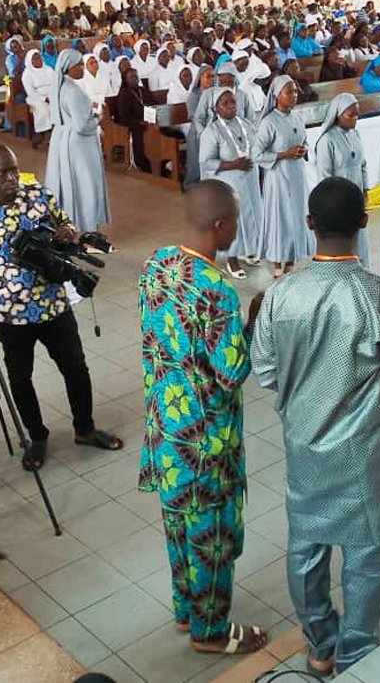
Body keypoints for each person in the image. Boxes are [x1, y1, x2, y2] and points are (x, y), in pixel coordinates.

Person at [251, 176, 380, 677]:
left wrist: (305, 400)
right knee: (368, 552)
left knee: (306, 545)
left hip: (305, 446)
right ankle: (355, 649)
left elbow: (265, 371)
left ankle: (320, 642)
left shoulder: (280, 296)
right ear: (363, 223)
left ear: (309, 224)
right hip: (368, 453)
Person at [137, 180, 269, 657]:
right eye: (234, 220)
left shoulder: (156, 264)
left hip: (166, 426)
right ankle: (210, 631)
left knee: (178, 524)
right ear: (219, 225)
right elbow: (232, 371)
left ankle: (184, 609)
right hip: (206, 439)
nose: (237, 227)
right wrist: (254, 318)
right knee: (212, 534)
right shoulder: (216, 290)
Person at [0, 143, 121, 470]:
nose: (12, 178)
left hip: (53, 305)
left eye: (14, 169)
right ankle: (37, 437)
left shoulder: (38, 196)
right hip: (11, 315)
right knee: (20, 378)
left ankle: (84, 429)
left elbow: (67, 227)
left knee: (76, 369)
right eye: (2, 173)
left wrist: (67, 232)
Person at [45, 49, 111, 233]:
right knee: (87, 184)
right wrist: (98, 117)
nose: (82, 68)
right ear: (68, 67)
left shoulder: (60, 86)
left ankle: (73, 223)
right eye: (79, 65)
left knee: (71, 182)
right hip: (80, 144)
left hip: (63, 138)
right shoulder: (73, 90)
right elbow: (83, 125)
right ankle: (89, 228)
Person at [253, 76, 313, 278]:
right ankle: (278, 263)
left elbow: (303, 139)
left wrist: (303, 149)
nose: (294, 96)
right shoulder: (269, 122)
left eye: (295, 91)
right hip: (279, 177)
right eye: (289, 92)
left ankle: (292, 259)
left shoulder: (296, 118)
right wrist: (284, 154)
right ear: (277, 95)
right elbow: (257, 154)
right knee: (280, 218)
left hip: (296, 175)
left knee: (296, 215)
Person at [199, 89, 261, 278]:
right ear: (216, 108)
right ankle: (231, 261)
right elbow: (205, 162)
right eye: (225, 103)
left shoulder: (247, 124)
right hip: (228, 184)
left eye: (233, 102)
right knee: (232, 222)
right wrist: (233, 164)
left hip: (249, 182)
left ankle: (249, 251)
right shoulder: (211, 132)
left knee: (252, 217)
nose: (231, 106)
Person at [312, 93, 369, 266]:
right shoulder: (327, 140)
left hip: (356, 195)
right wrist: (334, 203)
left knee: (360, 242)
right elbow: (325, 176)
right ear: (338, 115)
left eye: (357, 114)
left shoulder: (355, 134)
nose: (355, 119)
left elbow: (362, 164)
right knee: (343, 243)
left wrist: (365, 189)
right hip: (338, 201)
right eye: (350, 115)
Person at [20, 47, 56, 147]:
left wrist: (52, 95)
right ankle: (41, 133)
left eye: (39, 57)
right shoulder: (27, 74)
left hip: (51, 94)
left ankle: (57, 131)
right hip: (35, 97)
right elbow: (30, 92)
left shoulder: (49, 70)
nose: (38, 60)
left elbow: (55, 84)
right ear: (30, 61)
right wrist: (44, 98)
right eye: (35, 59)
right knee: (42, 108)